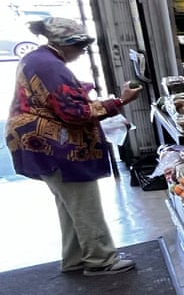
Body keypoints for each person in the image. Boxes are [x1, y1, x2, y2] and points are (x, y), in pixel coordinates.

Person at [5, 17, 141, 276]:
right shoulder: (50, 66)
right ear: (67, 44)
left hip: (36, 144)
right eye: (81, 48)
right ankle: (101, 260)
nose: (81, 54)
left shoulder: (38, 59)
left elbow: (53, 98)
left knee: (69, 205)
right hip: (56, 147)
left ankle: (75, 258)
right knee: (84, 203)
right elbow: (75, 113)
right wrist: (120, 101)